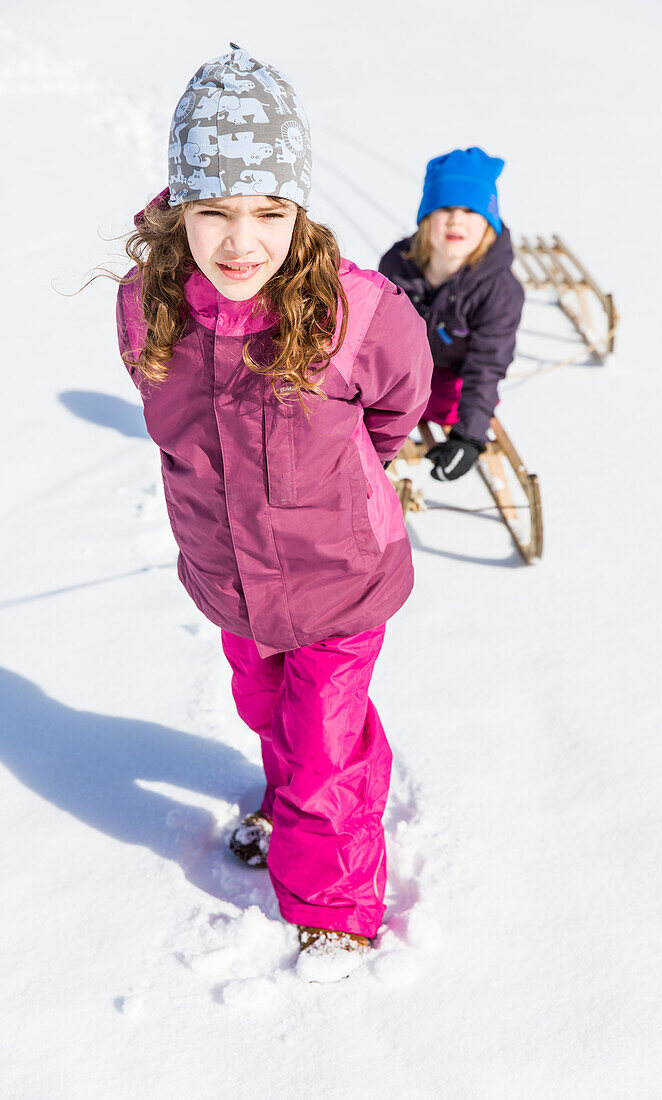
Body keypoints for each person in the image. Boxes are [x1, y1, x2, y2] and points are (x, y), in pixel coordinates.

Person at [114, 45, 432, 983]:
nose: (240, 239)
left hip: (340, 576)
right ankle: (292, 792)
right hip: (228, 578)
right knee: (267, 710)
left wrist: (347, 483)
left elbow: (397, 405)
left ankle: (332, 905)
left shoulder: (359, 315)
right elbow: (164, 413)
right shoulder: (149, 307)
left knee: (325, 738)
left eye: (268, 212)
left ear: (300, 210)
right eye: (213, 210)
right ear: (179, 210)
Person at [378, 147, 525, 481]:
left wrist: (469, 437)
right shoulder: (396, 265)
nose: (457, 219)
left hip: (452, 386)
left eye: (470, 210)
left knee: (448, 399)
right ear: (428, 216)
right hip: (401, 374)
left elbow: (487, 365)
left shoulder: (499, 289)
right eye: (445, 208)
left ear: (489, 222)